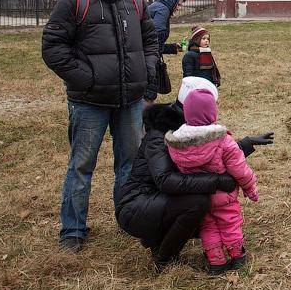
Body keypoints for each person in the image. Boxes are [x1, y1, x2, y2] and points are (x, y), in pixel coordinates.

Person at [42, 0, 159, 252]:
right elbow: (53, 48)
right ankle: (73, 231)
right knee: (81, 166)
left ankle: (128, 219)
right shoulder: (73, 2)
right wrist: (87, 78)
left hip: (130, 102)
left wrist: (146, 72)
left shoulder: (135, 0)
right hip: (88, 102)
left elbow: (151, 40)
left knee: (131, 164)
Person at [115, 80, 274, 272]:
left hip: (156, 201)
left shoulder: (186, 130)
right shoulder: (160, 134)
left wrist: (245, 144)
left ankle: (169, 241)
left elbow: (206, 157)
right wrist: (217, 182)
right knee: (199, 203)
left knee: (205, 202)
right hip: (136, 206)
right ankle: (164, 257)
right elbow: (166, 180)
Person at [166, 89, 258, 274]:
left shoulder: (177, 144)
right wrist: (250, 189)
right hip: (224, 195)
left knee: (208, 226)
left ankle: (216, 262)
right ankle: (237, 255)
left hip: (198, 196)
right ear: (212, 112)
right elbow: (240, 169)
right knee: (230, 222)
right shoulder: (223, 141)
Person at [145, 0, 186, 103]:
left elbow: (154, 42)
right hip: (148, 61)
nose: (178, 8)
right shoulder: (163, 10)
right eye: (178, 5)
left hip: (144, 57)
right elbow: (155, 36)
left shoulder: (156, 7)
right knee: (147, 97)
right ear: (171, 1)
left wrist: (172, 48)